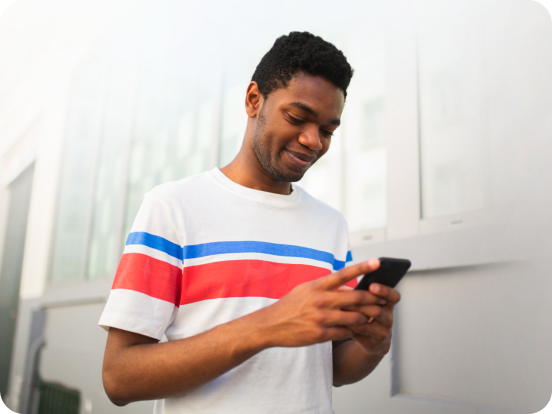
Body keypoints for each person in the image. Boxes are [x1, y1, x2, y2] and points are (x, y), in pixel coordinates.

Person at [99, 31, 401, 414]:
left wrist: (372, 346)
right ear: (253, 100)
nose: (313, 140)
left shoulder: (331, 226)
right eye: (297, 118)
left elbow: (332, 369)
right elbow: (120, 377)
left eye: (328, 131)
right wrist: (268, 326)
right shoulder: (173, 207)